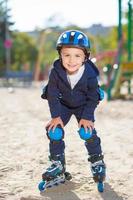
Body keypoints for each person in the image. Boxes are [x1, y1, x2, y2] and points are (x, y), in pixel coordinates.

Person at [41, 30, 106, 185]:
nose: (71, 60)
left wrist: (87, 116)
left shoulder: (90, 73)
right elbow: (52, 95)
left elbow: (93, 97)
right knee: (54, 131)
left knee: (86, 131)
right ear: (60, 55)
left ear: (85, 57)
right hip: (63, 105)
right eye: (66, 55)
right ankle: (58, 163)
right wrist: (56, 116)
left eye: (77, 55)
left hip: (83, 105)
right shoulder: (56, 71)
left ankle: (97, 161)